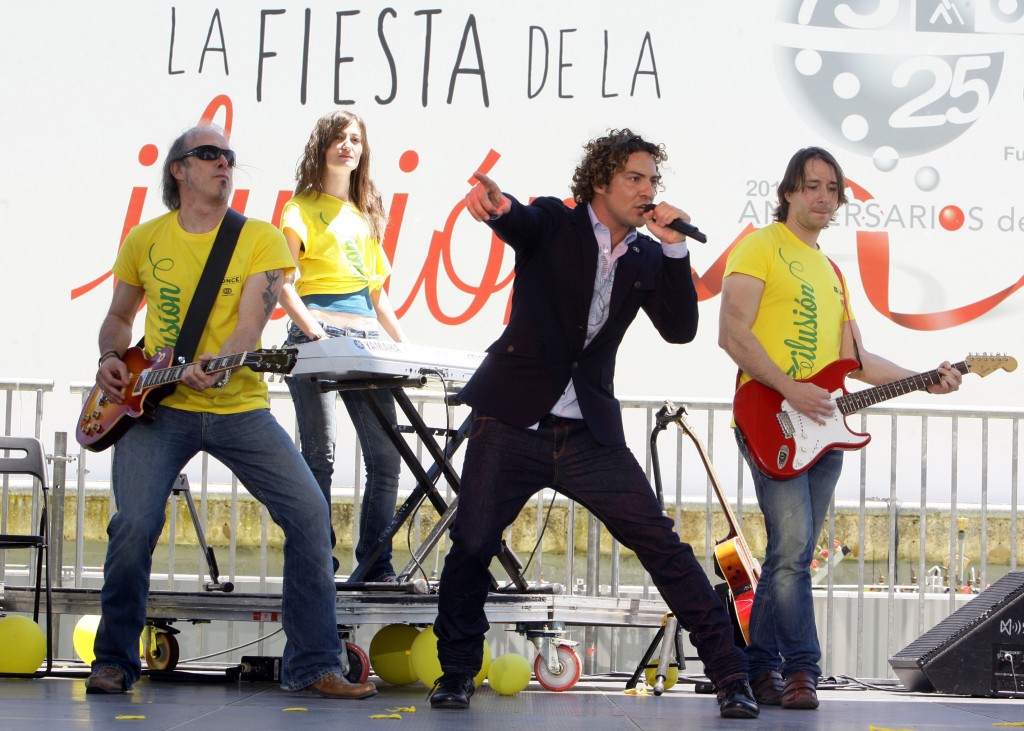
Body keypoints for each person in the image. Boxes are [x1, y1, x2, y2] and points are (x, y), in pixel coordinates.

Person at [428, 129, 759, 719]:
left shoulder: (649, 255)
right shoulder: (557, 222)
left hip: (588, 433)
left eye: (653, 180)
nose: (646, 189)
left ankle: (732, 673)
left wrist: (677, 249)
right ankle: (455, 672)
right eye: (634, 177)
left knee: (660, 543)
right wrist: (499, 208)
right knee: (473, 541)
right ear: (600, 181)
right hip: (513, 420)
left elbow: (680, 330)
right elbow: (518, 222)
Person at [84, 124, 376, 700]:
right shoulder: (145, 240)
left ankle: (315, 665)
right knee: (133, 525)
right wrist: (111, 357)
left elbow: (250, 326)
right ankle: (115, 660)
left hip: (239, 406)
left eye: (229, 157)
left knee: (311, 516)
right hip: (154, 407)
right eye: (210, 155)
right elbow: (118, 319)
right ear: (179, 170)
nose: (224, 164)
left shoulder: (260, 238)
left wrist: (220, 361)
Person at [717, 146, 962, 710]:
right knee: (795, 547)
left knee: (790, 553)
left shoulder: (831, 272)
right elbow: (732, 332)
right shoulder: (760, 246)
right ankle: (802, 670)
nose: (822, 196)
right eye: (811, 186)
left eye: (831, 188)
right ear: (787, 193)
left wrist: (925, 377)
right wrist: (789, 386)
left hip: (824, 431)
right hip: (769, 416)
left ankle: (760, 668)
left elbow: (856, 360)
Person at [279, 110, 405, 581]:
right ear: (322, 148)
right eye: (338, 138)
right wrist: (315, 333)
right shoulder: (298, 210)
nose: (347, 145)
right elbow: (283, 285)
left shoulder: (365, 215)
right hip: (317, 337)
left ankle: (375, 564)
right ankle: (317, 561)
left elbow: (377, 294)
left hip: (367, 338)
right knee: (320, 456)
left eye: (355, 139)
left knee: (387, 457)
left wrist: (405, 348)